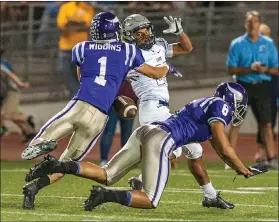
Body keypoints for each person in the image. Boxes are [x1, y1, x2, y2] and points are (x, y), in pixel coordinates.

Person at [21, 11, 180, 210]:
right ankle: (35, 185)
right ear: (117, 31)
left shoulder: (81, 48)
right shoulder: (128, 51)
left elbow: (82, 77)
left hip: (81, 105)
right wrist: (167, 67)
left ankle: (41, 144)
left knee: (48, 133)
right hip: (99, 116)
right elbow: (156, 72)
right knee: (67, 164)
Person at [25, 82, 252, 210]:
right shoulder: (221, 106)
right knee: (150, 199)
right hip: (161, 138)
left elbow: (216, 149)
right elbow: (225, 147)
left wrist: (232, 167)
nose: (238, 109)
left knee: (107, 174)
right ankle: (105, 196)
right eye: (239, 104)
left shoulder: (204, 103)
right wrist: (242, 168)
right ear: (232, 100)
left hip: (146, 131)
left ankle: (59, 165)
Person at [122, 14, 230, 208]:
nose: (145, 35)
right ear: (130, 36)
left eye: (146, 30)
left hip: (163, 108)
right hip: (150, 107)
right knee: (175, 150)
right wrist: (166, 66)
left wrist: (180, 33)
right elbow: (156, 72)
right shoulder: (130, 55)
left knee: (193, 149)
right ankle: (140, 179)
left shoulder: (158, 45)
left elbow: (187, 48)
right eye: (139, 33)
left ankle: (210, 196)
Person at [226, 11, 278, 170]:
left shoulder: (268, 43)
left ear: (259, 24)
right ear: (245, 24)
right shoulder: (237, 44)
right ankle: (229, 159)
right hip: (243, 86)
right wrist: (249, 68)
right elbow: (231, 68)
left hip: (262, 86)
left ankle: (271, 159)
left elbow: (276, 69)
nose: (251, 24)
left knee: (267, 124)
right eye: (249, 22)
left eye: (255, 21)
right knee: (236, 122)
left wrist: (265, 69)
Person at [57, 2, 94, 99]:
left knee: (81, 77)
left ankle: (78, 99)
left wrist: (72, 23)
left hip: (82, 49)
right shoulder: (65, 7)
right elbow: (62, 27)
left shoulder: (88, 8)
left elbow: (88, 27)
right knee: (67, 76)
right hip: (66, 48)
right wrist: (79, 24)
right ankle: (77, 97)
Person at [254, 23, 278, 163]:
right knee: (264, 122)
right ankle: (261, 152)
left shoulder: (271, 50)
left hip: (272, 89)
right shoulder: (255, 51)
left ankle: (268, 153)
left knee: (270, 122)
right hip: (261, 89)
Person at [99, 80, 138, 166]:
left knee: (122, 134)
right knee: (110, 132)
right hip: (117, 102)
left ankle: (122, 160)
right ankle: (105, 159)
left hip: (127, 102)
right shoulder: (134, 67)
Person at [0, 49, 36, 141]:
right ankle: (30, 133)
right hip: (6, 93)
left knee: (8, 115)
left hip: (12, 92)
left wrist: (20, 83)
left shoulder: (2, 64)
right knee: (12, 115)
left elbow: (11, 74)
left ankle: (27, 119)